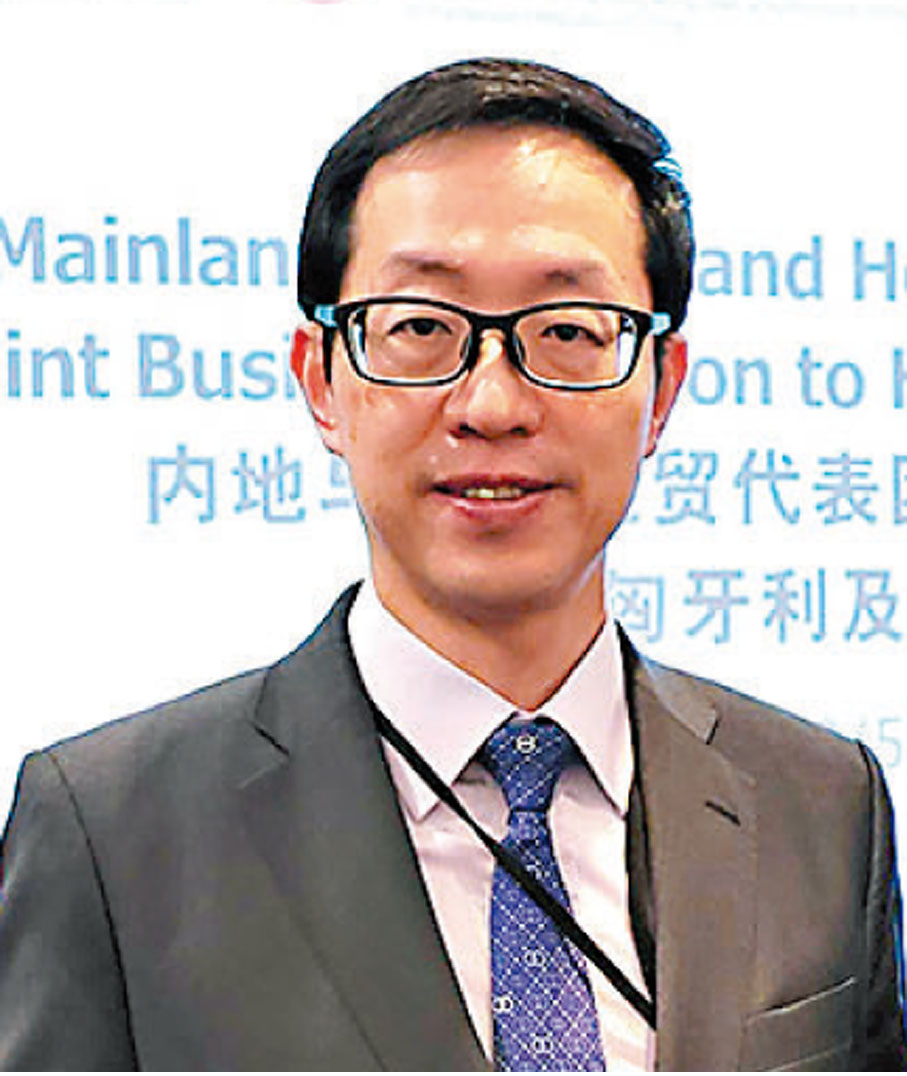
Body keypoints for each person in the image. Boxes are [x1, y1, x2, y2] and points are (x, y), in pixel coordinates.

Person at [0, 57, 903, 1072]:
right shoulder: (111, 833)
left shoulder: (823, 804)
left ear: (660, 390)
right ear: (320, 381)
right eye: (422, 328)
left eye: (567, 332)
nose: (492, 404)